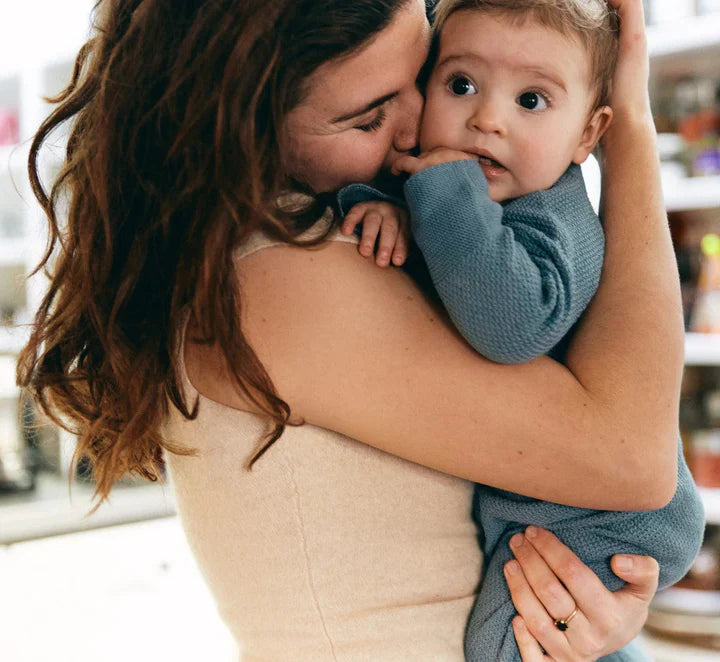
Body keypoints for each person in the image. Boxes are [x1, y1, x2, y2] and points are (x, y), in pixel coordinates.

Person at [17, 0, 681, 659]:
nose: (432, 126)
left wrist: (577, 604)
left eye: (423, 74)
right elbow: (632, 460)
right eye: (370, 115)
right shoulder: (274, 281)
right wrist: (631, 134)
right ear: (245, 128)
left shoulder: (323, 230)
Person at [335, 1, 705, 660]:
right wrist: (381, 211)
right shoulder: (470, 192)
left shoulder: (556, 216)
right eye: (460, 85)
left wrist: (437, 195)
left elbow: (511, 322)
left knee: (508, 641)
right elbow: (444, 245)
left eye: (532, 99)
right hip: (549, 504)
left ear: (589, 136)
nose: (488, 118)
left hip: (601, 517)